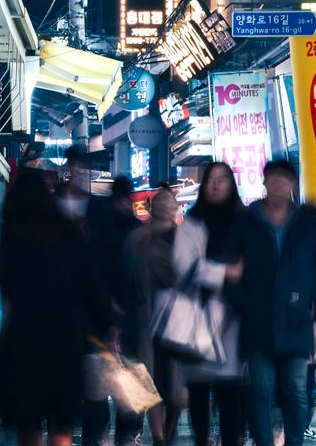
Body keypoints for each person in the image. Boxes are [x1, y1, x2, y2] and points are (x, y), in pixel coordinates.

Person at [0, 171, 115, 446]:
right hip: (64, 337)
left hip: (23, 339)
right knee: (61, 420)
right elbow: (90, 283)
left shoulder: (13, 234)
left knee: (29, 421)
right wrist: (106, 322)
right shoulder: (68, 231)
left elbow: (5, 281)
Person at [230, 160, 316, 446]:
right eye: (273, 178)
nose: (278, 183)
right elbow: (231, 271)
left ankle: (294, 443)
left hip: (295, 322)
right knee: (261, 390)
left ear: (292, 184)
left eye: (285, 178)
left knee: (295, 391)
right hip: (257, 323)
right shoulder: (247, 224)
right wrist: (243, 304)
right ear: (264, 181)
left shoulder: (308, 227)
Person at [173, 162, 247, 446]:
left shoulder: (244, 221)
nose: (216, 184)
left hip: (234, 317)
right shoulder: (192, 222)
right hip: (197, 315)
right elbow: (183, 266)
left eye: (223, 179)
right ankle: (201, 441)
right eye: (211, 179)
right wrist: (226, 271)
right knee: (199, 390)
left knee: (230, 392)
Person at [83, 176, 144, 446]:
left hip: (102, 316)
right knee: (128, 379)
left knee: (98, 389)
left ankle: (101, 436)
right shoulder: (133, 229)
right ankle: (126, 435)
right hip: (125, 316)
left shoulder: (98, 226)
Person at [122, 188, 186, 446]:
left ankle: (166, 432)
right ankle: (160, 437)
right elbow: (127, 281)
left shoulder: (185, 239)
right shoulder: (137, 239)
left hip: (178, 321)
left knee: (176, 390)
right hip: (146, 319)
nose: (165, 207)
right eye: (160, 203)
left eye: (169, 203)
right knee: (151, 383)